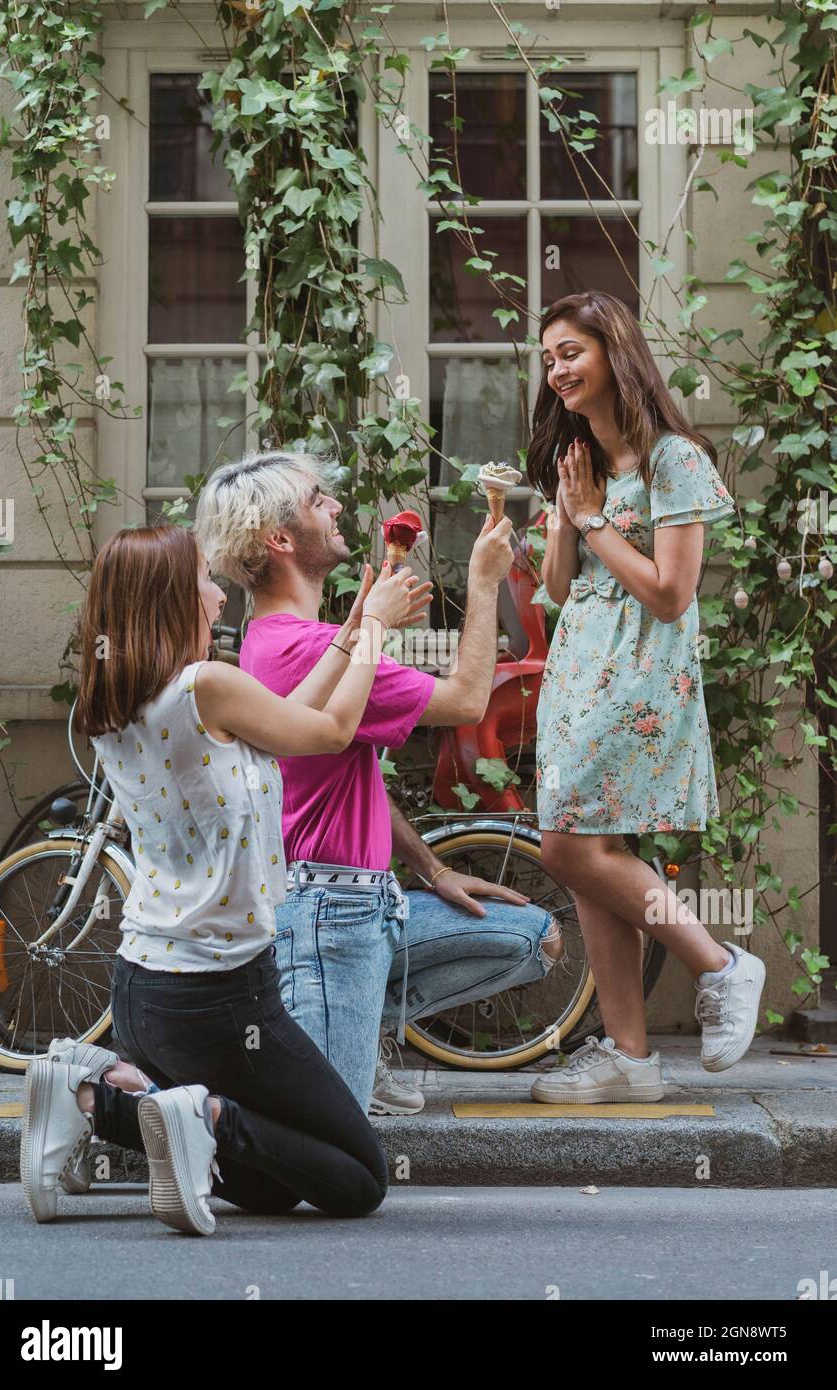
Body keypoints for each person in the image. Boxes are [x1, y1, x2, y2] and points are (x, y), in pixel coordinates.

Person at [20, 522, 427, 1234]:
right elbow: (330, 733)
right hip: (220, 996)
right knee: (358, 1179)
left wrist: (353, 628)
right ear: (172, 601)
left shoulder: (113, 699)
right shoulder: (206, 685)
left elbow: (293, 714)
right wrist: (375, 635)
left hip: (144, 989)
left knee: (271, 1188)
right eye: (204, 583)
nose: (217, 596)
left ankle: (92, 1098)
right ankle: (192, 1111)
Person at [193, 453, 564, 1116]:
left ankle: (363, 1031)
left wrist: (429, 868)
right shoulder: (311, 647)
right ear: (279, 540)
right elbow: (469, 700)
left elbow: (348, 767)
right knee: (327, 1144)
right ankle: (136, 1112)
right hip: (329, 916)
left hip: (369, 903)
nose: (335, 506)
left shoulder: (277, 637)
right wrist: (483, 583)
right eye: (317, 500)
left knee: (535, 936)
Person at [526, 290, 765, 1103]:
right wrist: (566, 519)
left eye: (571, 352)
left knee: (566, 847)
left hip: (638, 678)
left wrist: (594, 521)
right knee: (589, 851)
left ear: (614, 352)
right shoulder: (577, 461)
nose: (556, 368)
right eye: (549, 356)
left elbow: (671, 594)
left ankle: (722, 965)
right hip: (576, 673)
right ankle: (631, 1056)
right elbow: (559, 590)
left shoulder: (675, 459)